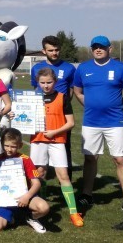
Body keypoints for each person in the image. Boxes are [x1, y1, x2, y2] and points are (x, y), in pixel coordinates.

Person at [73, 35, 123, 208]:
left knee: (120, 159)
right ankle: (87, 194)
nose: (98, 50)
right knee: (91, 158)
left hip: (115, 122)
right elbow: (77, 91)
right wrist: (91, 105)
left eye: (102, 47)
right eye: (95, 47)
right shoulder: (83, 68)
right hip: (91, 122)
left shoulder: (121, 68)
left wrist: (118, 107)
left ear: (109, 49)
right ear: (91, 49)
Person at [26, 68, 81, 227]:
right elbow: (25, 119)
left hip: (57, 141)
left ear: (55, 81)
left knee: (63, 175)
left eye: (49, 82)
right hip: (37, 140)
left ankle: (73, 211)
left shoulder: (62, 97)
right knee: (40, 173)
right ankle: (41, 204)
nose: (46, 85)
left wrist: (54, 132)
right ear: (38, 82)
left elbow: (70, 123)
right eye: (42, 83)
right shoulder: (33, 99)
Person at [30, 35, 77, 178]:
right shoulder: (36, 68)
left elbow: (71, 90)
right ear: (44, 51)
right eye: (50, 50)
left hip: (60, 114)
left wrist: (62, 105)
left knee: (64, 148)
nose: (54, 53)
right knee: (39, 154)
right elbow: (34, 90)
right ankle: (38, 187)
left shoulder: (69, 68)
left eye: (56, 50)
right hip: (40, 115)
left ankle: (65, 180)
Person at [0, 129, 50, 233]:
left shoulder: (25, 159)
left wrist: (26, 197)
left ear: (20, 145)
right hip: (5, 200)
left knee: (43, 208)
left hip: (25, 196)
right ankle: (12, 217)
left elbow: (36, 183)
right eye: (6, 145)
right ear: (2, 144)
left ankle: (31, 217)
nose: (9, 149)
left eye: (13, 146)